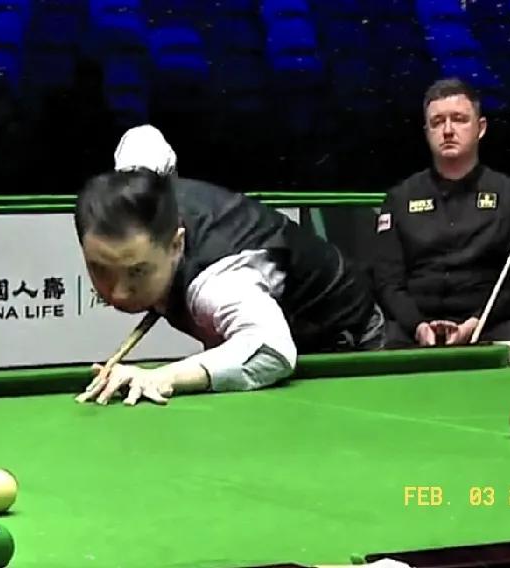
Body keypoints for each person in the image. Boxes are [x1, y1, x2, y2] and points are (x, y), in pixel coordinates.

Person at [74, 125, 386, 406]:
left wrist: (162, 377)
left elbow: (272, 351)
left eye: (137, 272)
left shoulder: (219, 283)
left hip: (340, 341)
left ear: (176, 245)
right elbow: (145, 137)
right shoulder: (142, 188)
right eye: (100, 269)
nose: (118, 292)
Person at [373, 78, 510, 348]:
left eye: (459, 119)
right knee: (383, 342)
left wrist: (475, 323)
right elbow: (388, 281)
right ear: (427, 131)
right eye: (437, 122)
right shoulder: (399, 198)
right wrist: (418, 326)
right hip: (412, 330)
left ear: (480, 128)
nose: (448, 130)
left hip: (488, 326)